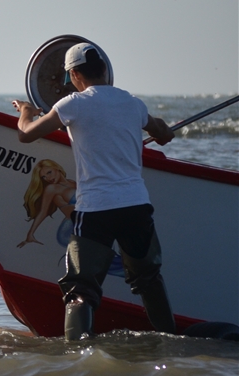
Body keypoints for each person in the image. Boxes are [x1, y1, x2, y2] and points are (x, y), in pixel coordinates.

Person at [12, 42, 176, 340]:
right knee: (148, 279)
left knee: (81, 288)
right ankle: (172, 344)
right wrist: (159, 129)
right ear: (104, 69)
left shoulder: (72, 104)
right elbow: (163, 134)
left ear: (74, 75)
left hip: (96, 209)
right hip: (136, 207)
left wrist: (25, 111)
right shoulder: (133, 103)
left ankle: (78, 360)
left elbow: (26, 134)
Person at [17, 159, 76, 248]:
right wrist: (30, 234)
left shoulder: (72, 182)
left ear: (57, 168)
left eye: (49, 172)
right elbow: (43, 211)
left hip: (84, 224)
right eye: (43, 177)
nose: (48, 178)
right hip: (69, 230)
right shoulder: (51, 188)